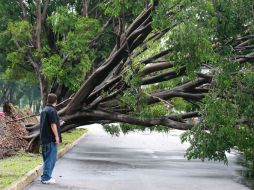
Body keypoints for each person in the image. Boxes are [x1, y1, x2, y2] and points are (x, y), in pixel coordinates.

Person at [40, 93, 64, 184]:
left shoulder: (44, 110)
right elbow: (52, 125)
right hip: (50, 139)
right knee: (50, 159)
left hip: (44, 139)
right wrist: (57, 137)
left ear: (47, 100)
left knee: (47, 159)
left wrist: (59, 123)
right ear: (56, 101)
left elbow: (50, 123)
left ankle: (46, 176)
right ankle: (46, 178)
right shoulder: (52, 111)